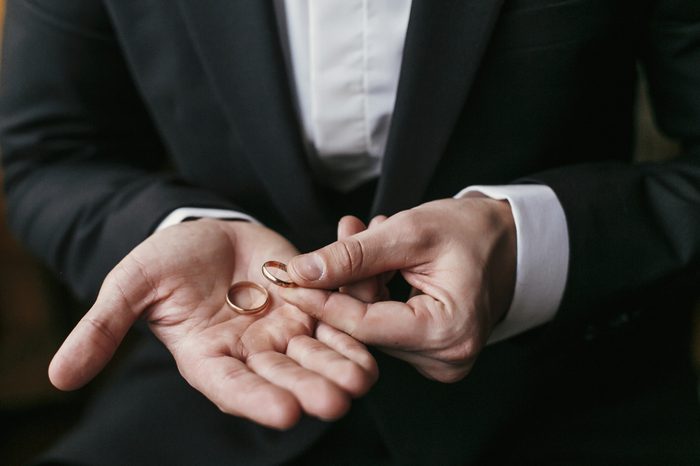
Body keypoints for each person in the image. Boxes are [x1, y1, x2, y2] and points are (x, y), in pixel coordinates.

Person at [1, 0, 699, 464]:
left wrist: (527, 249)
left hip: (578, 382)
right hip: (221, 364)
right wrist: (177, 229)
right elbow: (46, 151)